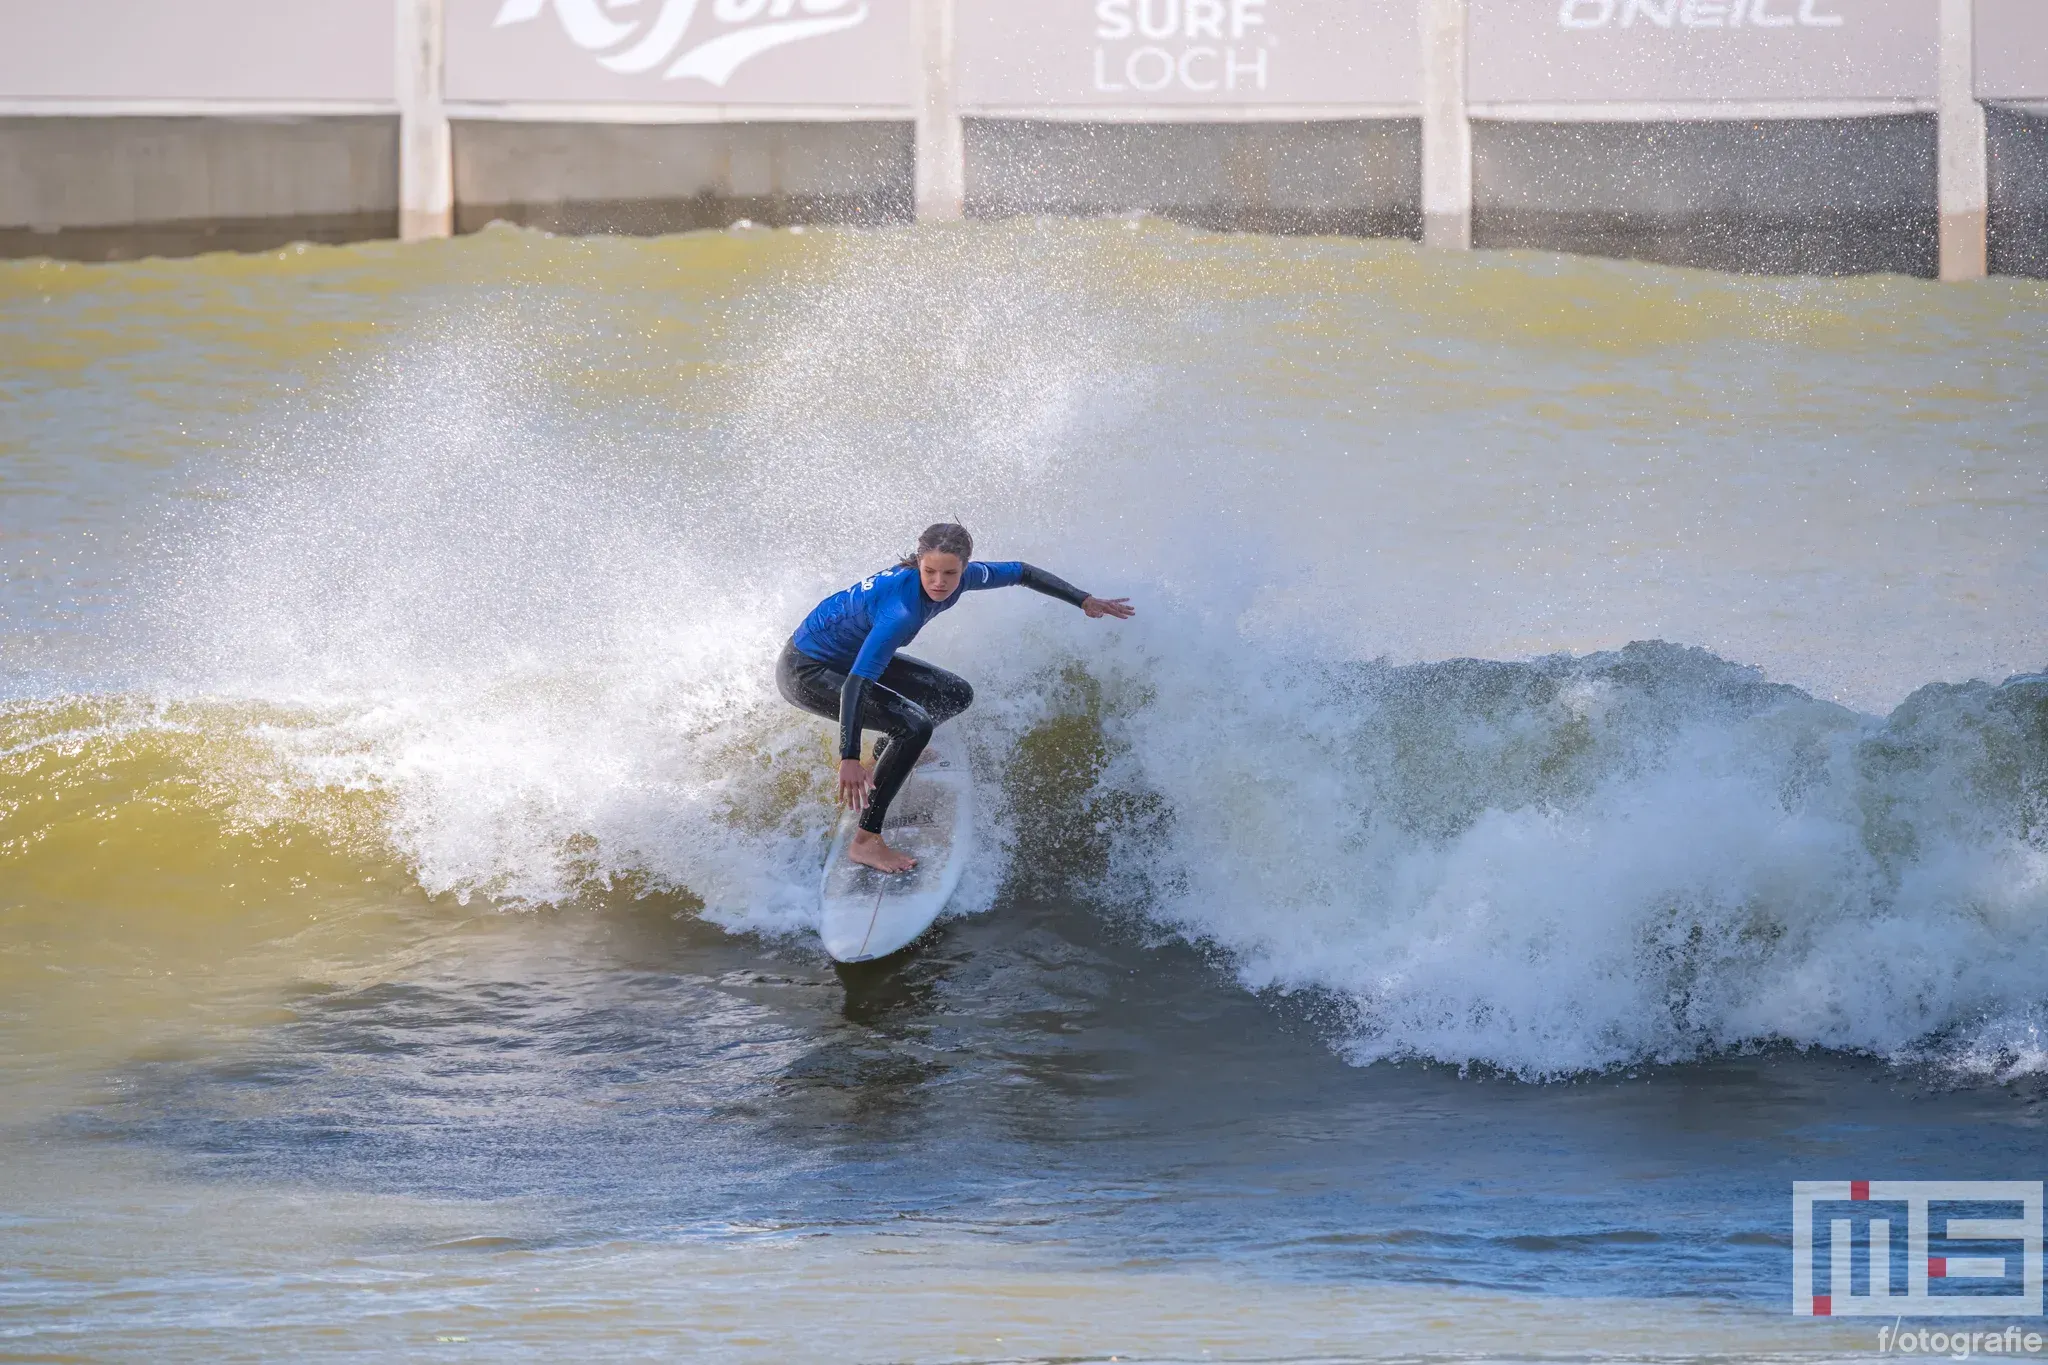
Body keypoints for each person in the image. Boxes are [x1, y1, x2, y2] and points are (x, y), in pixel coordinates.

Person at [777, 523, 1135, 874]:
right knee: (916, 728)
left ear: (965, 567)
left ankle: (883, 756)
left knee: (954, 694)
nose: (938, 582)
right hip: (807, 671)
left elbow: (1023, 572)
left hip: (844, 658)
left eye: (949, 573)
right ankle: (866, 840)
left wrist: (1084, 600)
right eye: (929, 571)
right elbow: (856, 685)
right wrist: (847, 758)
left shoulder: (967, 577)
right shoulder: (900, 611)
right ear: (917, 562)